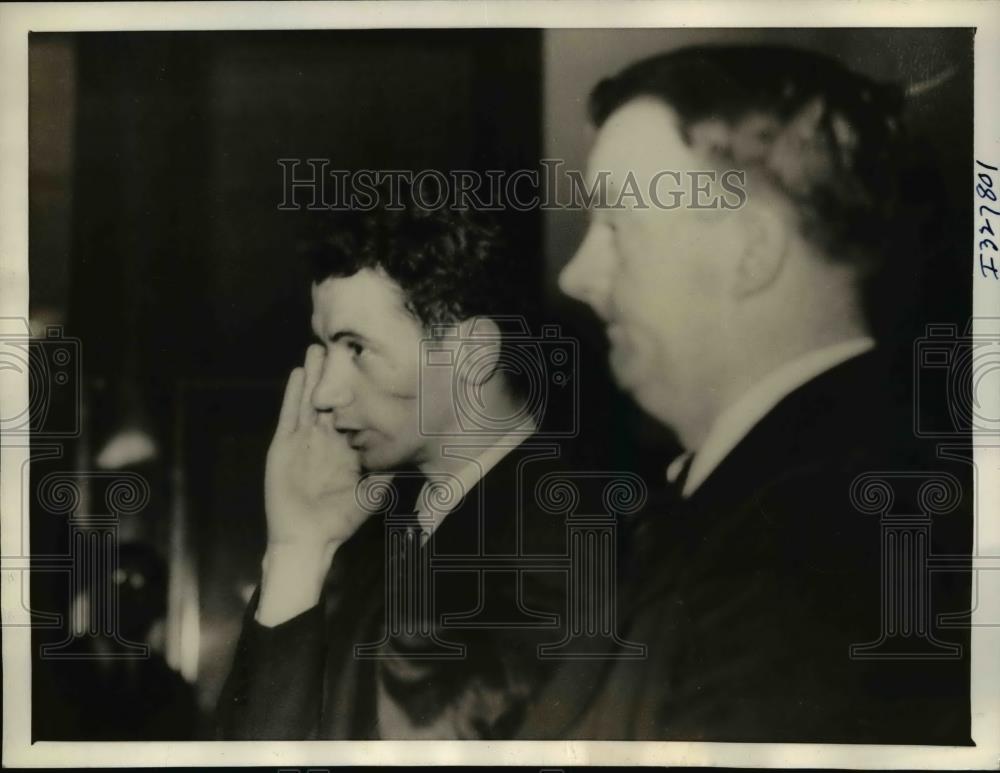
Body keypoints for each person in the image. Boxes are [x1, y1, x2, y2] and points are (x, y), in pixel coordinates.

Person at [518, 45, 972, 743]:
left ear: (752, 250)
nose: (578, 275)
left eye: (615, 224)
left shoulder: (826, 549)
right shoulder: (773, 502)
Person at [216, 200, 578, 739]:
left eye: (356, 347)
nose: (324, 392)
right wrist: (298, 551)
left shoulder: (561, 550)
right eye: (326, 349)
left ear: (472, 357)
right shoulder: (385, 541)